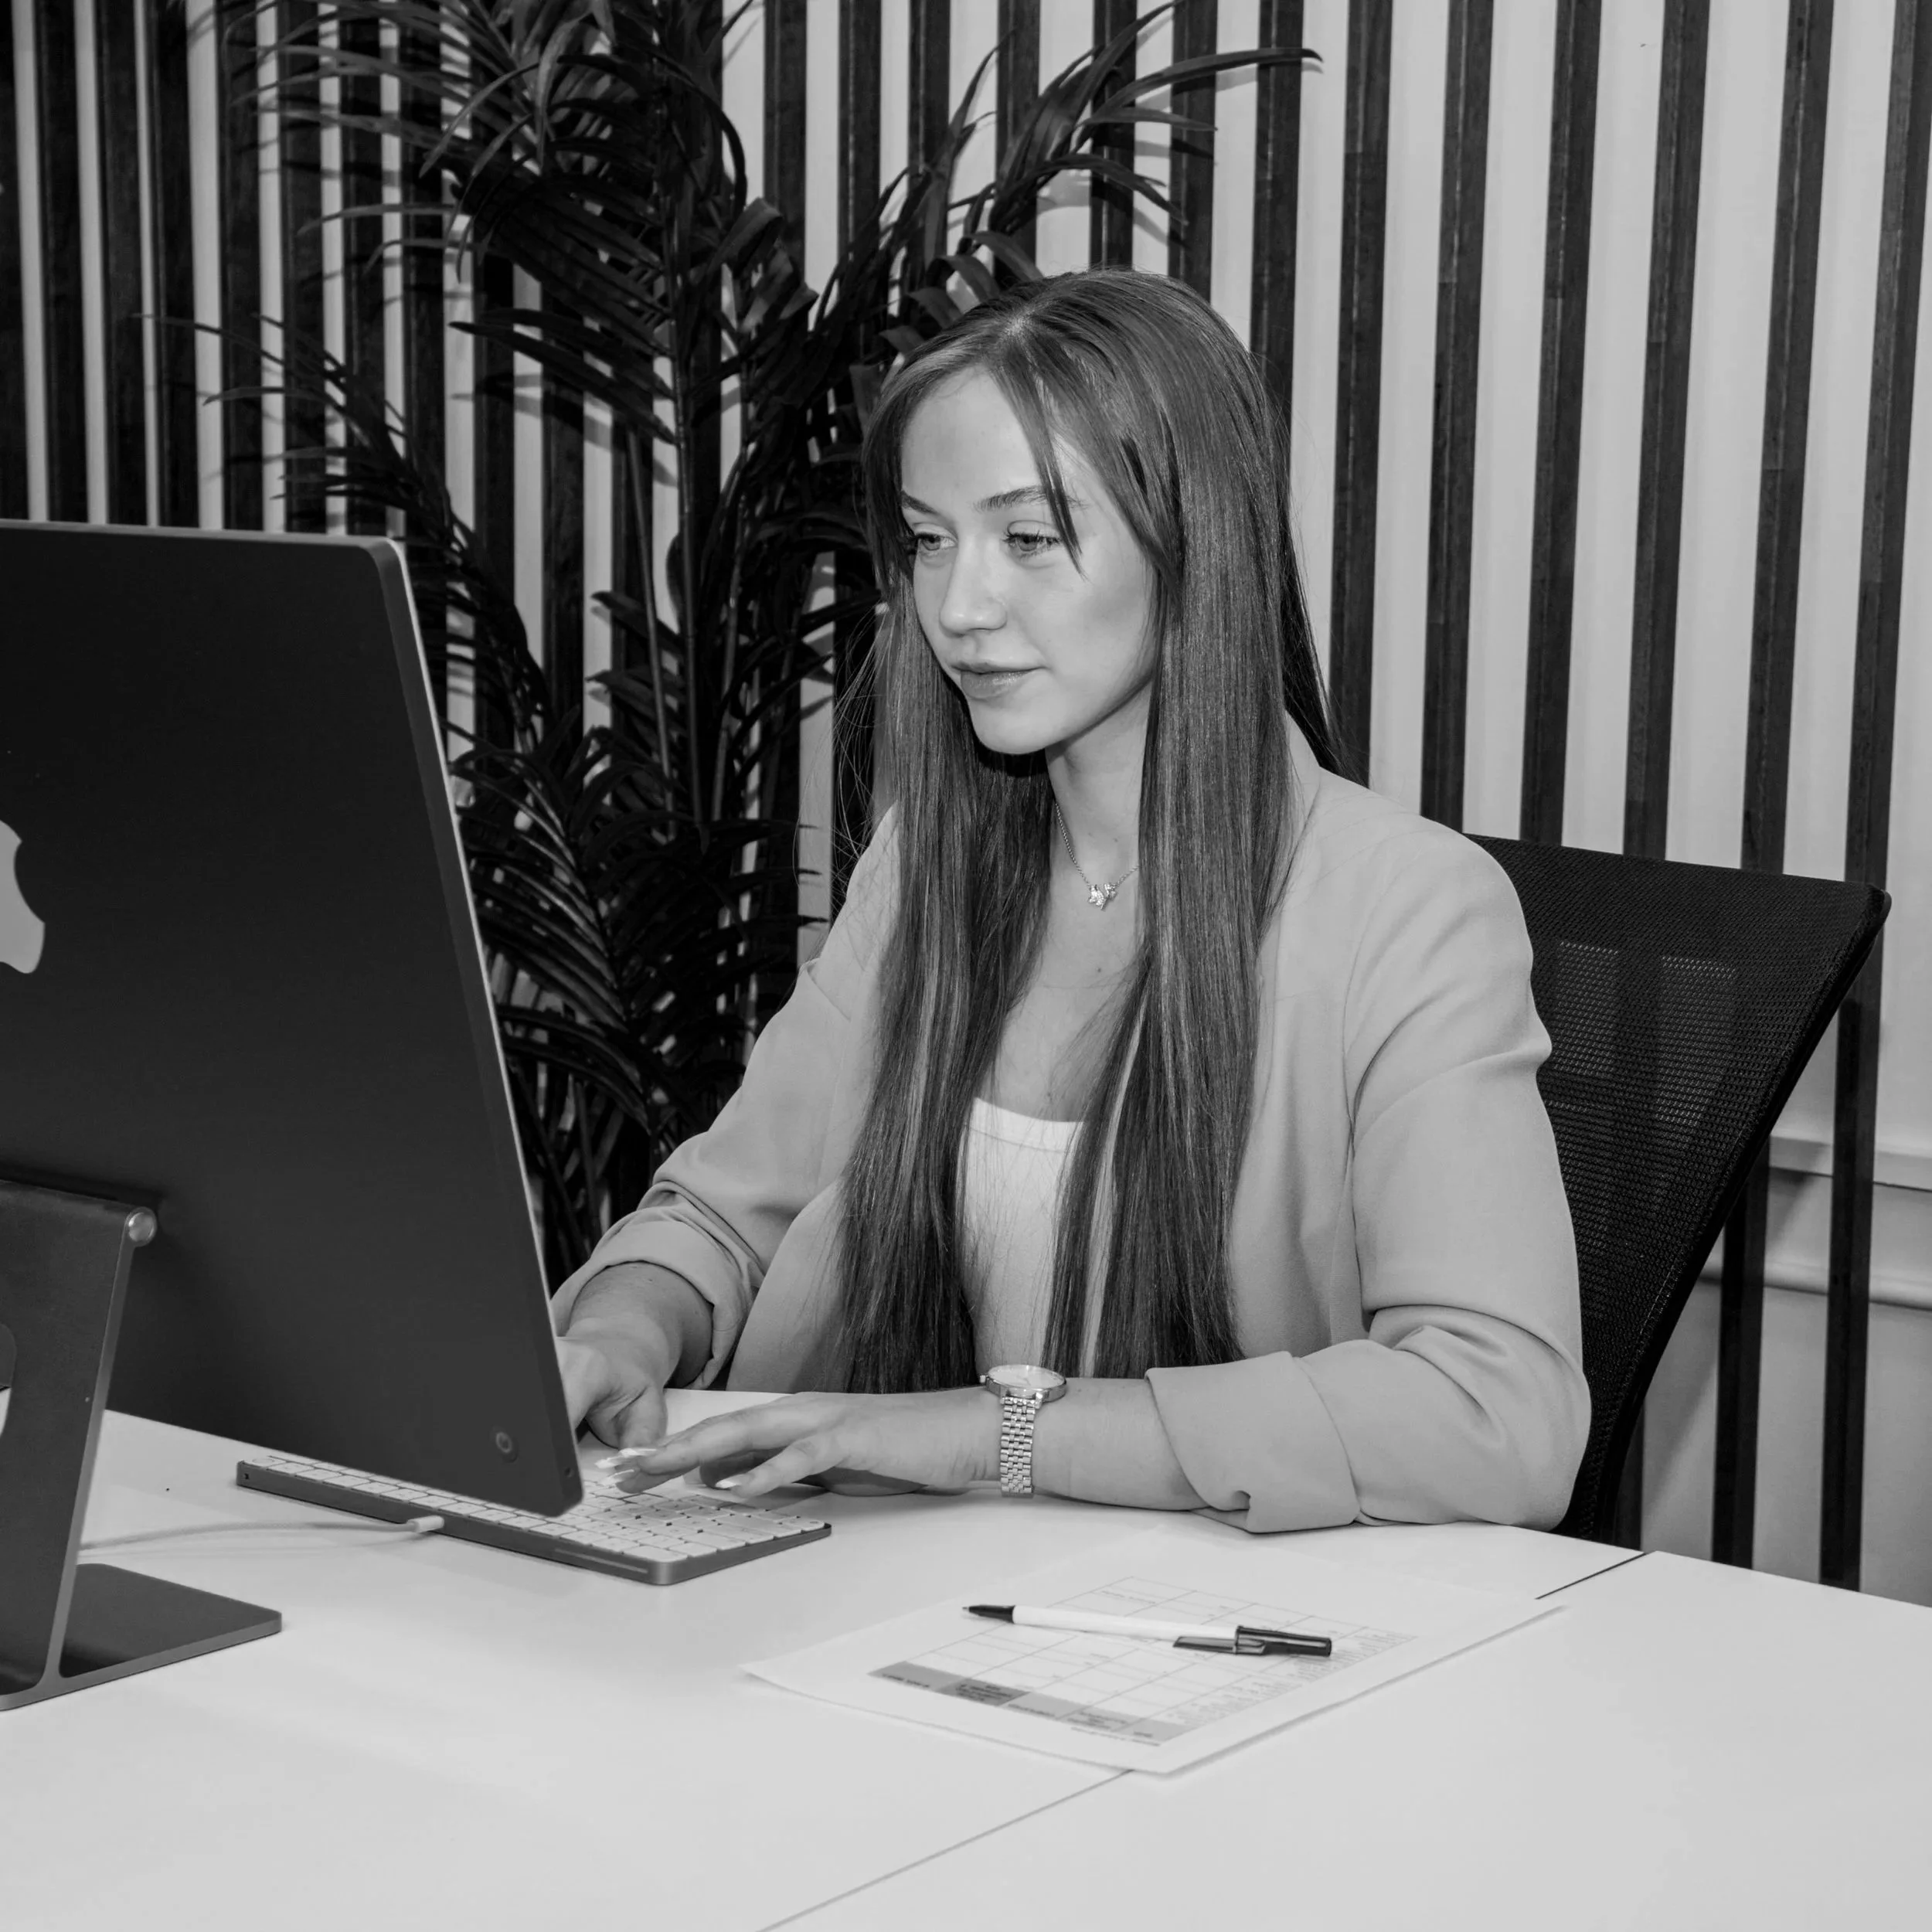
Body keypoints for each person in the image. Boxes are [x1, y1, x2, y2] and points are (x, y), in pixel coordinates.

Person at [553, 267, 1589, 1530]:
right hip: (893, 1596)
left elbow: (1500, 1417)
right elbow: (724, 1209)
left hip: (1205, 1635)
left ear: (1190, 538)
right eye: (929, 540)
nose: (959, 607)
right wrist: (618, 1328)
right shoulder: (922, 865)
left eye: (1029, 538)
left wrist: (998, 1435)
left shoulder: (1409, 911)